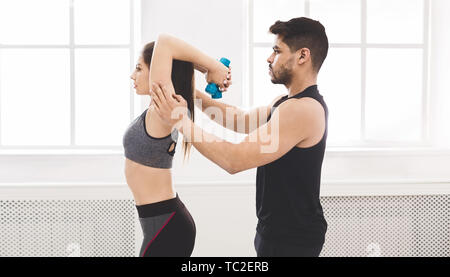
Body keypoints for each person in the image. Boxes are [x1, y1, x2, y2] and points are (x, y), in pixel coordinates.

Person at [150, 17, 329, 257]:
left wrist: (180, 121)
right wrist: (193, 92)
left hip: (293, 241)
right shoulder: (285, 103)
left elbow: (234, 160)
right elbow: (239, 119)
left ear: (302, 56)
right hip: (274, 232)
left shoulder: (303, 110)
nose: (269, 57)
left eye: (277, 51)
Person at [124, 36, 231, 257]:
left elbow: (166, 42)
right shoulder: (166, 108)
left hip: (166, 226)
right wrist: (207, 69)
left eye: (138, 68)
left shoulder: (162, 108)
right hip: (162, 222)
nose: (132, 75)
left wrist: (212, 67)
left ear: (157, 72)